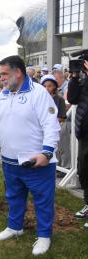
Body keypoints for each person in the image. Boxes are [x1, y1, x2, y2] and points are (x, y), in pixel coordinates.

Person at [0, 55, 61, 256]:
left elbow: (51, 125)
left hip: (36, 162)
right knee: (13, 196)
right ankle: (15, 227)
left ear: (18, 73)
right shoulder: (3, 95)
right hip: (10, 161)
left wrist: (46, 153)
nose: (0, 78)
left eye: (4, 74)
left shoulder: (38, 93)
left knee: (42, 200)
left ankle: (44, 236)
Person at [67, 60, 88, 229]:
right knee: (83, 169)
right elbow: (72, 99)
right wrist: (74, 77)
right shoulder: (82, 79)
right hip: (84, 134)